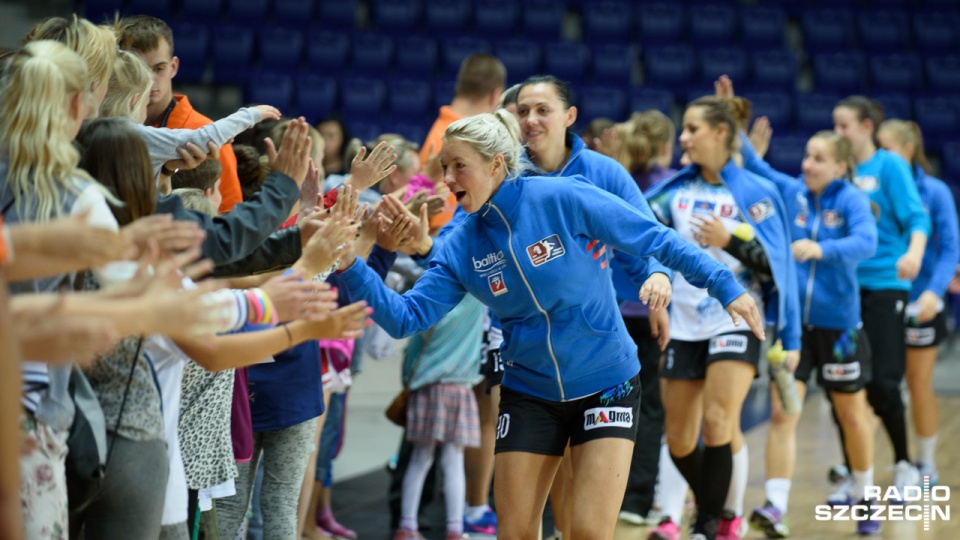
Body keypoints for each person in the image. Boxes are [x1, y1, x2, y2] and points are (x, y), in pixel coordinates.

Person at [338, 110, 764, 540]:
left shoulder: (563, 197)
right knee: (516, 534)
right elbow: (404, 318)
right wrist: (355, 263)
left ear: (497, 165)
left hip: (607, 382)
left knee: (588, 534)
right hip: (530, 392)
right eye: (444, 167)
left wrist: (724, 285)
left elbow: (655, 238)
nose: (447, 178)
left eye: (459, 165)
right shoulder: (457, 244)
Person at [644, 96, 800, 540]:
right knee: (677, 438)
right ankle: (720, 510)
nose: (683, 137)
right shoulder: (671, 191)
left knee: (718, 422)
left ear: (720, 133)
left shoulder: (754, 191)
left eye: (692, 129)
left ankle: (708, 524)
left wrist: (729, 240)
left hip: (737, 318)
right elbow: (643, 243)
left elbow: (778, 265)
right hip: (683, 321)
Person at [738, 129, 880, 537]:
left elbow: (867, 242)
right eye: (806, 156)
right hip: (792, 327)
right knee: (783, 413)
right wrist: (731, 124)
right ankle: (776, 506)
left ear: (840, 166)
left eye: (818, 159)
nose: (807, 165)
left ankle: (866, 496)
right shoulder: (792, 192)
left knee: (852, 416)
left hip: (838, 330)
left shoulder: (850, 199)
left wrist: (823, 250)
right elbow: (756, 167)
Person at [826, 97, 929, 504]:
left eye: (844, 125)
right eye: (834, 125)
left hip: (886, 284)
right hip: (843, 289)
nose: (838, 133)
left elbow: (917, 219)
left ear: (867, 127)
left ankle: (905, 464)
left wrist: (915, 254)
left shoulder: (890, 166)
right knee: (844, 384)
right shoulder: (839, 170)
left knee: (885, 380)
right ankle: (855, 474)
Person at [877, 119, 959, 487]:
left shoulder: (935, 192)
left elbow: (950, 249)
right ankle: (889, 463)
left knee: (918, 383)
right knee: (876, 385)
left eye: (886, 147)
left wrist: (934, 291)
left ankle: (925, 463)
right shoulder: (872, 186)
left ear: (907, 150)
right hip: (877, 299)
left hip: (919, 303)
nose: (879, 155)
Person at [117, 15, 244, 213]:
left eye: (159, 69)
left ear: (174, 67)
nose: (150, 80)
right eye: (138, 70)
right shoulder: (106, 132)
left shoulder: (206, 134)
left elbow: (230, 218)